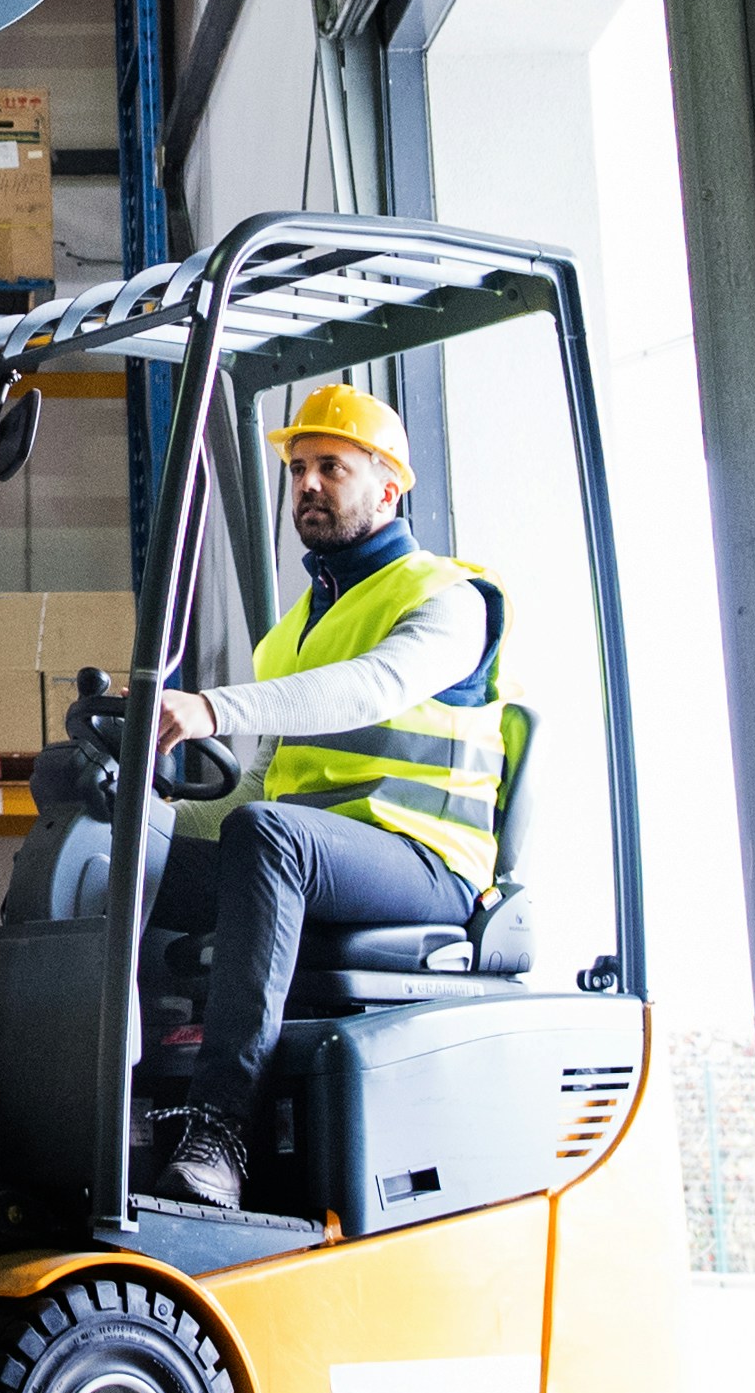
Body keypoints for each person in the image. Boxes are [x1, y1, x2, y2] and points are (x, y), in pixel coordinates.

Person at [133, 382, 512, 1209]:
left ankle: (220, 1127)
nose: (306, 483)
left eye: (329, 467)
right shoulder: (291, 632)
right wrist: (140, 820)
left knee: (274, 839)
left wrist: (210, 709)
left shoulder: (446, 600)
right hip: (312, 860)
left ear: (388, 486)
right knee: (120, 861)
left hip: (425, 865)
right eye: (298, 467)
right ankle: (112, 1108)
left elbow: (373, 689)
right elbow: (260, 793)